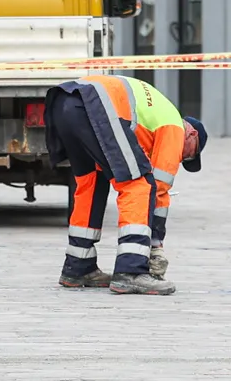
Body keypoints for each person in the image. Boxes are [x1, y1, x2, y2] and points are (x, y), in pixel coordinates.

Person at [43, 74, 206, 295]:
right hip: (96, 104)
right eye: (189, 155)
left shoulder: (155, 117)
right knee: (139, 184)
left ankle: (78, 267)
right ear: (192, 135)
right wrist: (156, 246)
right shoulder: (175, 126)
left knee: (92, 183)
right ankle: (131, 272)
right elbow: (159, 188)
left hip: (65, 101)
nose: (183, 158)